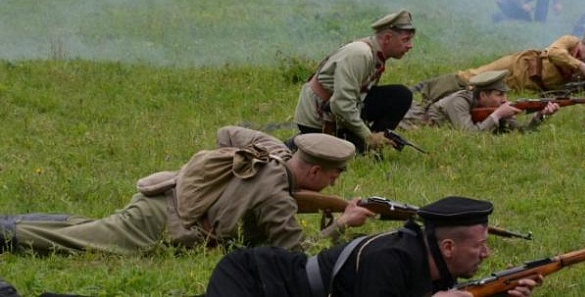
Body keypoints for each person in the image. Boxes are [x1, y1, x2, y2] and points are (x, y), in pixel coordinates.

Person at [0, 126, 374, 255]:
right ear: (313, 169)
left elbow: (227, 133)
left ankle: (13, 222)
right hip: (160, 221)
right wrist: (342, 223)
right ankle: (6, 232)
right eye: (334, 175)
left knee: (87, 229)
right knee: (79, 241)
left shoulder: (274, 150)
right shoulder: (275, 196)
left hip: (164, 192)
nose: (335, 182)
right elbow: (297, 252)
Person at [205, 196, 542, 297]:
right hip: (255, 279)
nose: (486, 254)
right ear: (449, 247)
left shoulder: (436, 264)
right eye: (481, 246)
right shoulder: (389, 259)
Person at [293, 10, 416, 156]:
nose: (410, 46)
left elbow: (357, 96)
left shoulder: (374, 53)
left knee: (400, 95)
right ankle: (296, 144)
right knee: (351, 155)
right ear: (388, 38)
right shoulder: (360, 54)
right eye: (405, 40)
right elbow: (341, 104)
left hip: (341, 110)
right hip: (320, 119)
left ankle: (370, 147)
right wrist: (368, 136)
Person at [411, 23, 585, 103]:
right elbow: (553, 53)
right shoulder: (569, 41)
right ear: (582, 43)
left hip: (526, 87)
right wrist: (580, 65)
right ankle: (426, 88)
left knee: (482, 93)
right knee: (472, 77)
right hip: (517, 65)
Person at [402, 70, 559, 133]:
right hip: (410, 119)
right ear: (483, 95)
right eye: (499, 95)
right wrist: (496, 116)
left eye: (505, 95)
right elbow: (468, 134)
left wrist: (540, 116)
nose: (504, 100)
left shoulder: (492, 107)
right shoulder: (459, 100)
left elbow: (521, 132)